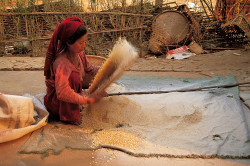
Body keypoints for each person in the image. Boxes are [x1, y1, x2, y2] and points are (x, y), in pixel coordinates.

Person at [44, 16, 106, 125]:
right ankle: (70, 117)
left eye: (85, 42)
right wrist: (86, 100)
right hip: (59, 103)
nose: (84, 46)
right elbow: (63, 93)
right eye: (81, 43)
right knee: (72, 77)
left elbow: (90, 69)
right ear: (69, 42)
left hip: (74, 95)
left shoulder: (79, 54)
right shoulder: (62, 63)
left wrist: (107, 69)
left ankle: (77, 103)